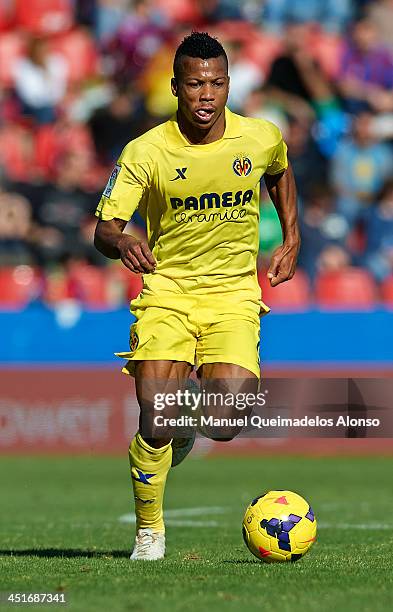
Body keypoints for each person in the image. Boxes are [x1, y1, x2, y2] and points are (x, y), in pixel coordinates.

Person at [94, 32, 299, 561]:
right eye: (194, 84)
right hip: (168, 291)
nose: (205, 95)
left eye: (215, 83)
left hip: (233, 294)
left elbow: (279, 172)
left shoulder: (260, 137)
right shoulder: (147, 151)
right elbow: (105, 228)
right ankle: (149, 530)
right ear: (176, 88)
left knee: (226, 422)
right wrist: (124, 241)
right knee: (155, 414)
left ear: (228, 85)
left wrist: (293, 237)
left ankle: (190, 427)